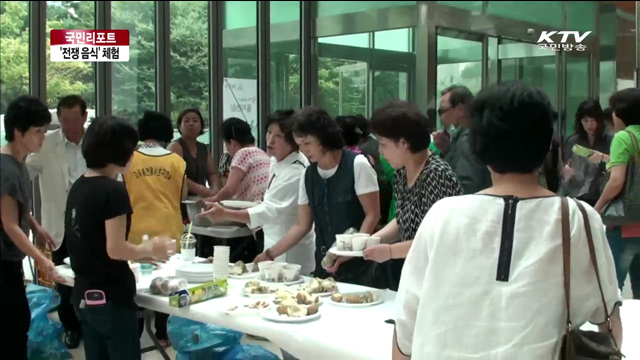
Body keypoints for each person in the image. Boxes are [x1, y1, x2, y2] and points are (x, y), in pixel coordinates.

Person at [393, 82, 622, 359]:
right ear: (547, 143)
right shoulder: (578, 218)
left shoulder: (443, 215)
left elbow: (405, 328)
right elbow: (608, 323)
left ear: (478, 147)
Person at [65, 116, 174, 360]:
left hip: (83, 294)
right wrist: (151, 248)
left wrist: (144, 253)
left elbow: (89, 240)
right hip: (112, 299)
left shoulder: (79, 186)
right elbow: (115, 249)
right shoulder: (113, 191)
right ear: (120, 151)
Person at [254, 107, 383, 288]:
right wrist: (269, 254)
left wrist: (352, 250)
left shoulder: (357, 164)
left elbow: (373, 215)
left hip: (360, 265)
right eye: (299, 145)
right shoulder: (308, 174)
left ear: (323, 136)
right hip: (324, 266)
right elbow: (302, 225)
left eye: (307, 143)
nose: (304, 150)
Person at [199, 110, 316, 275]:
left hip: (290, 252)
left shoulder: (295, 171)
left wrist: (225, 213)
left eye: (279, 136)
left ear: (294, 141)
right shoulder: (276, 160)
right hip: (274, 241)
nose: (270, 139)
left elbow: (268, 210)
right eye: (269, 132)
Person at [361, 101, 462, 291]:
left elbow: (438, 241)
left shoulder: (436, 175)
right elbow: (404, 220)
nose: (380, 152)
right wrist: (369, 241)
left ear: (403, 143)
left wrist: (390, 251)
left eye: (383, 144)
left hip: (437, 277)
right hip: (412, 269)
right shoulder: (402, 171)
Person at [0, 95, 61, 360]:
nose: (42, 138)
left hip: (8, 259)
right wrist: (41, 261)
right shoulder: (7, 168)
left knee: (17, 323)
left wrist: (35, 226)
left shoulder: (17, 163)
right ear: (18, 132)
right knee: (13, 327)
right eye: (38, 131)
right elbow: (10, 223)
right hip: (2, 260)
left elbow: (17, 209)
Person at [25, 94, 88, 349]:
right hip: (57, 226)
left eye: (75, 119)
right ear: (58, 119)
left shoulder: (96, 143)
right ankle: (71, 327)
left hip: (89, 222)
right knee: (62, 280)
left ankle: (90, 324)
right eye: (64, 120)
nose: (70, 125)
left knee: (89, 277)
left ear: (84, 117)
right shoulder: (46, 144)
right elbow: (22, 175)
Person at [122, 111, 187, 347]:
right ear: (166, 133)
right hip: (169, 228)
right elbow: (182, 195)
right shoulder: (176, 161)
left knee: (138, 282)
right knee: (168, 282)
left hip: (137, 229)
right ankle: (162, 332)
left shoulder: (129, 159)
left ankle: (136, 332)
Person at [594, 87, 640, 300]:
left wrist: (599, 206)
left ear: (621, 113)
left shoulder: (623, 137)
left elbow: (616, 181)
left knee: (613, 285)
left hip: (625, 223)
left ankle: (612, 330)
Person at [432, 85, 492, 194]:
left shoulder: (466, 141)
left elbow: (467, 186)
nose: (441, 117)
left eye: (442, 111)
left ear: (460, 109)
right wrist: (447, 149)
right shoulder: (474, 134)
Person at [205, 117, 271, 204]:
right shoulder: (262, 154)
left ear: (232, 143)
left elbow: (230, 189)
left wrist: (212, 200)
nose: (226, 149)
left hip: (254, 207)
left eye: (226, 144)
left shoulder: (242, 153)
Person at [167, 109, 219, 218]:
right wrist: (201, 189)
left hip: (199, 201)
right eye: (186, 121)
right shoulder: (175, 146)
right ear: (179, 126)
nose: (191, 124)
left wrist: (214, 190)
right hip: (179, 202)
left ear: (201, 125)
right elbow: (177, 176)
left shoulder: (203, 148)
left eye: (195, 121)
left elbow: (212, 173)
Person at [561, 99, 613, 206]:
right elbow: (566, 166)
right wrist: (567, 171)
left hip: (602, 197)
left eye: (593, 120)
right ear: (580, 121)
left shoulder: (610, 140)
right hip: (577, 196)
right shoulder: (573, 141)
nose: (590, 125)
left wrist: (603, 157)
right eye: (585, 121)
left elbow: (617, 166)